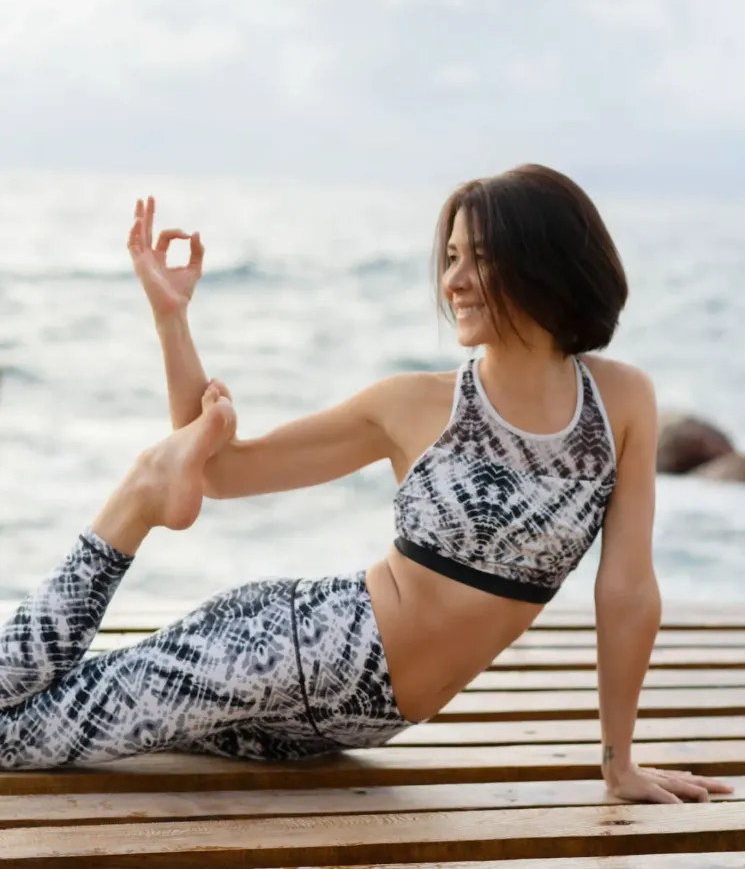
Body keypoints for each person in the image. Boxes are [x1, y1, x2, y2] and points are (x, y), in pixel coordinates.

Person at [0, 165, 732, 806]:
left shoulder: (620, 400)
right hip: (297, 645)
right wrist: (172, 317)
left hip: (340, 726)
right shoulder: (413, 404)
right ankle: (136, 494)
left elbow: (627, 588)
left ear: (543, 261)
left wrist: (617, 763)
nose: (452, 280)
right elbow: (220, 468)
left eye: (479, 257)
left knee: (37, 717)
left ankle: (147, 485)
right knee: (13, 737)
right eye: (449, 257)